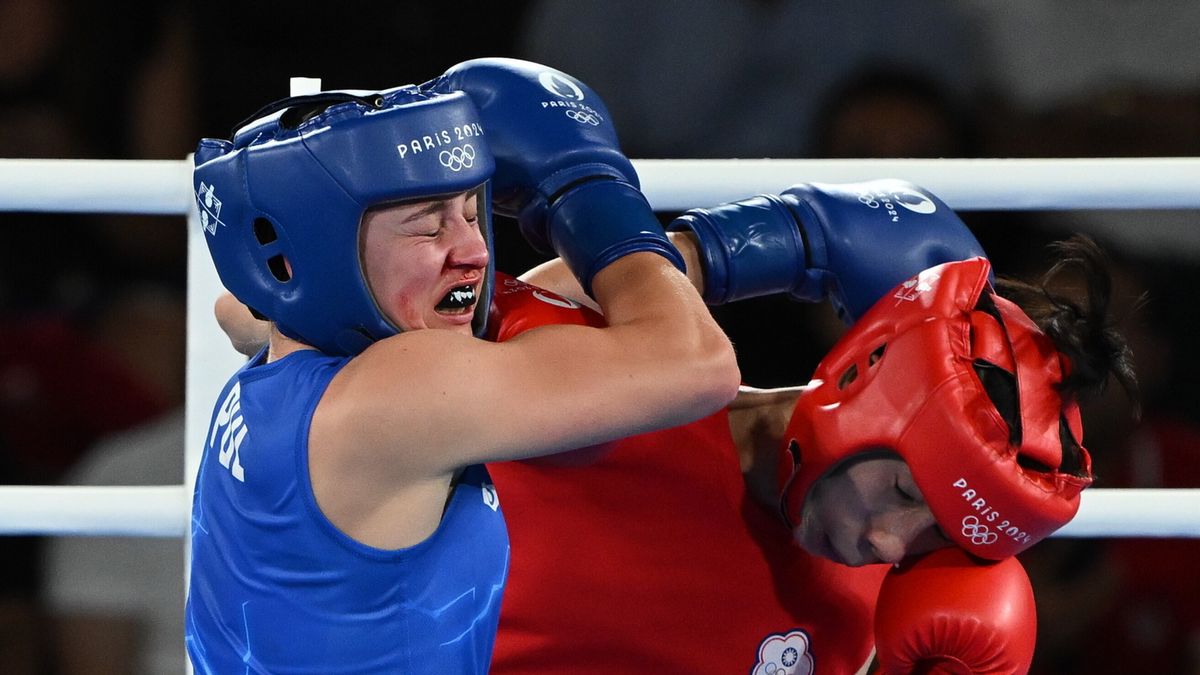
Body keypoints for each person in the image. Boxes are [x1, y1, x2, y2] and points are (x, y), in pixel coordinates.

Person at [220, 176, 1136, 673]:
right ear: (862, 386)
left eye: (937, 533)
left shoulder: (875, 613)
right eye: (901, 490)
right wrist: (699, 257)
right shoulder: (579, 355)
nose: (885, 541)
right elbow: (249, 317)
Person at [186, 58, 740, 674]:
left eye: (472, 213)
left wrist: (708, 251)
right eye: (427, 227)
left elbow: (238, 307)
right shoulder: (393, 395)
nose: (475, 250)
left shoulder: (285, 349)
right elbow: (695, 364)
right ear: (304, 257)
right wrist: (591, 190)